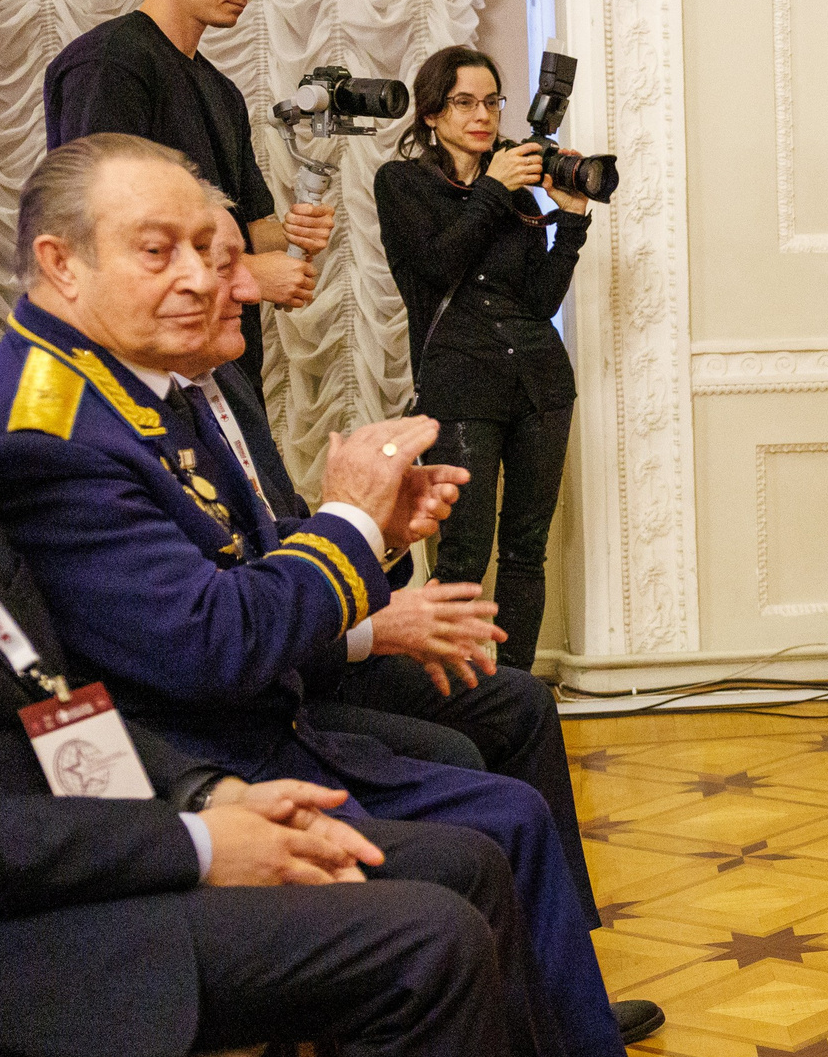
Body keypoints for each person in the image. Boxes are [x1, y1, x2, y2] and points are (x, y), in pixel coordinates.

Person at [0, 135, 682, 1057]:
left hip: (211, 741)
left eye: (212, 254)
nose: (207, 279)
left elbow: (235, 570)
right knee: (473, 837)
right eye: (159, 250)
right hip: (180, 766)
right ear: (60, 265)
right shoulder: (48, 424)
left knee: (492, 786)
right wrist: (352, 524)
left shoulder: (124, 384)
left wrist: (374, 536)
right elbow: (208, 643)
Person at [0, 494, 650, 1057]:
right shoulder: (45, 424)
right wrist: (193, 842)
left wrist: (207, 794)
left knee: (454, 878)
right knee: (427, 935)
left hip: (111, 848)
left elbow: (59, 709)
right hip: (38, 935)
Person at [177, 210, 606, 941]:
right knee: (468, 761)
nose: (244, 283)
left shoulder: (225, 383)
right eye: (223, 267)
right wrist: (372, 623)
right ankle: (537, 989)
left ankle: (566, 963)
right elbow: (227, 617)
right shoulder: (125, 420)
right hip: (275, 686)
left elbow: (276, 543)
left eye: (230, 262)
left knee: (521, 698)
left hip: (309, 643)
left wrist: (382, 538)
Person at [43, 0, 328, 394]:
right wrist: (247, 273)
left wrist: (289, 235)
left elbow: (248, 225)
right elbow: (106, 230)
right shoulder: (112, 63)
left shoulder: (221, 89)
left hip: (218, 360)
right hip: (141, 362)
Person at [375, 48, 595, 673]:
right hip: (462, 386)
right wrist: (495, 189)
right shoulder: (403, 183)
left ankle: (522, 695)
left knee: (527, 550)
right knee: (463, 553)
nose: (483, 114)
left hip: (541, 384)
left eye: (493, 101)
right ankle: (458, 693)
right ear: (432, 112)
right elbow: (440, 263)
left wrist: (571, 224)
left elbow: (538, 301)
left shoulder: (520, 193)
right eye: (465, 102)